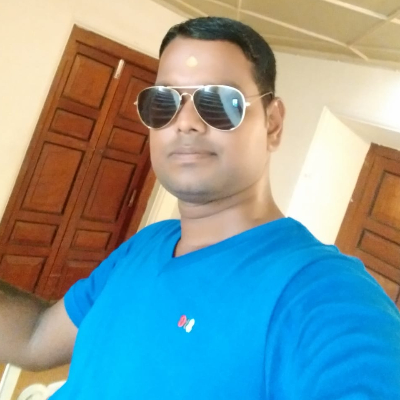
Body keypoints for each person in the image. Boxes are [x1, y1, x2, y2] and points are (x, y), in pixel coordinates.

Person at [1, 16, 400, 399]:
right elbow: (35, 336)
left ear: (273, 124)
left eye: (220, 101)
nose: (185, 122)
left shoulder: (324, 294)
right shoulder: (147, 245)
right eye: (164, 102)